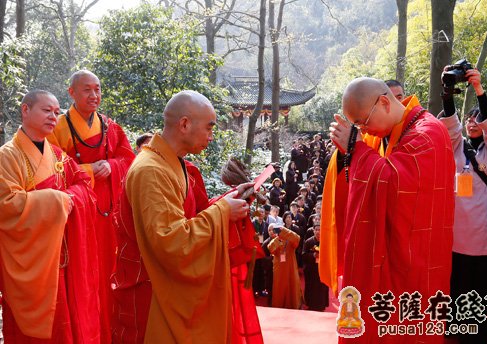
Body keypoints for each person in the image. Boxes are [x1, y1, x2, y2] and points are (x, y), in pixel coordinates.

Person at [325, 77, 455, 343]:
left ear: (384, 102)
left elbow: (395, 184)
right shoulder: (405, 129)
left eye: (363, 122)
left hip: (417, 261)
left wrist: (356, 148)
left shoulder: (426, 132)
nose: (366, 132)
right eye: (358, 127)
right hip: (408, 253)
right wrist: (353, 150)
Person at [126, 90, 262, 343]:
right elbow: (172, 241)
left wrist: (228, 202)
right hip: (154, 293)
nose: (212, 136)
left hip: (168, 293)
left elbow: (190, 218)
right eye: (209, 128)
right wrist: (222, 212)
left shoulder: (173, 163)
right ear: (185, 124)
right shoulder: (150, 171)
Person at [0, 90, 100, 342]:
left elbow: (83, 187)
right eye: (46, 110)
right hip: (33, 261)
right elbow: (6, 205)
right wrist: (59, 199)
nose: (53, 117)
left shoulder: (58, 156)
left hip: (64, 255)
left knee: (65, 325)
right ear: (25, 110)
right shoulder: (6, 156)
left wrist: (70, 197)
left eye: (57, 112)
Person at [48, 70, 135, 343]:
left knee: (109, 276)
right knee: (82, 278)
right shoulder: (57, 128)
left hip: (108, 217)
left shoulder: (110, 127)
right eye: (87, 89)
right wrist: (88, 170)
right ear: (71, 92)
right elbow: (51, 169)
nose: (94, 95)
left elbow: (129, 159)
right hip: (77, 219)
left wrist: (112, 164)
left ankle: (110, 334)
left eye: (97, 89)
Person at [439, 67, 487, 344]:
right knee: (459, 294)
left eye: (478, 118)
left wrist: (478, 90)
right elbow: (449, 127)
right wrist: (448, 93)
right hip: (457, 240)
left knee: (485, 295)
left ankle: (484, 336)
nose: (473, 122)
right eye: (469, 118)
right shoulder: (456, 149)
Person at [267, 224, 302, 309]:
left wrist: (284, 231)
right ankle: (278, 304)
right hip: (279, 268)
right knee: (279, 287)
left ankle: (293, 304)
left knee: (291, 285)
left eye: (275, 229)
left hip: (290, 267)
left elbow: (297, 239)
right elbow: (270, 248)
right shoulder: (274, 241)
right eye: (271, 230)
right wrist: (278, 239)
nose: (274, 232)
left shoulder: (289, 239)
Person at [302, 225, 329, 311]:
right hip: (311, 269)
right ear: (313, 231)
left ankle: (322, 304)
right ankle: (310, 304)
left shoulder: (326, 241)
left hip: (322, 269)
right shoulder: (308, 242)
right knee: (311, 287)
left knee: (322, 287)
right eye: (316, 230)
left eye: (319, 230)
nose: (318, 232)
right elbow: (303, 255)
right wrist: (312, 255)